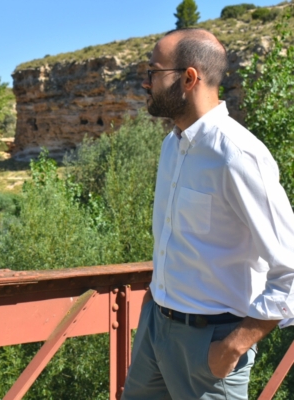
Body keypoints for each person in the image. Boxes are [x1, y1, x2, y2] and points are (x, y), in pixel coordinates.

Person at [121, 28, 294, 399]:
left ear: (188, 78)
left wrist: (232, 347)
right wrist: (153, 305)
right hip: (156, 329)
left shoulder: (237, 155)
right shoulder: (173, 144)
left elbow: (291, 267)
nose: (146, 83)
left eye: (153, 71)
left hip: (211, 347)